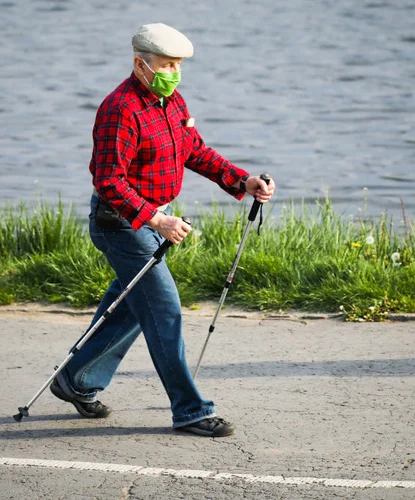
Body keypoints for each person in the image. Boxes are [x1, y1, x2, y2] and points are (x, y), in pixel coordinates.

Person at [49, 23, 275, 437]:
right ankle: (191, 411)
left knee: (131, 312)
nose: (175, 72)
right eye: (168, 64)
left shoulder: (171, 100)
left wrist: (242, 181)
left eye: (179, 65)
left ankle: (75, 379)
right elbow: (109, 181)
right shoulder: (120, 109)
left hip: (153, 223)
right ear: (141, 64)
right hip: (122, 224)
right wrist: (156, 219)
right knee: (164, 311)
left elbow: (195, 150)